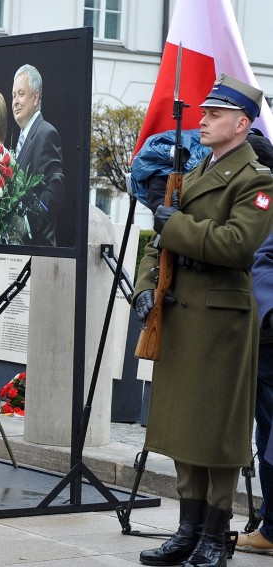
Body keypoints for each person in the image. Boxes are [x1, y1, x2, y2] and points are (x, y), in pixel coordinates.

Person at [133, 74, 273, 567]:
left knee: (216, 432)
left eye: (215, 114)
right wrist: (147, 284)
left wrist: (178, 226)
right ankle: (187, 530)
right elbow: (156, 242)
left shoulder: (257, 179)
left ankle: (217, 533)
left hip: (221, 322)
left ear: (242, 123)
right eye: (205, 112)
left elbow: (239, 246)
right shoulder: (193, 172)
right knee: (181, 428)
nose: (204, 119)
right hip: (179, 314)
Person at [238, 130, 273, 555]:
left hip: (266, 338)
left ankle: (270, 531)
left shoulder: (262, 203)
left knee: (269, 434)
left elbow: (262, 261)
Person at [10, 64, 65, 246]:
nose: (15, 101)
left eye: (21, 94)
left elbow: (55, 189)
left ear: (35, 97)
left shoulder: (46, 133)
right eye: (13, 95)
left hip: (38, 249)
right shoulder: (19, 137)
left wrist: (27, 222)